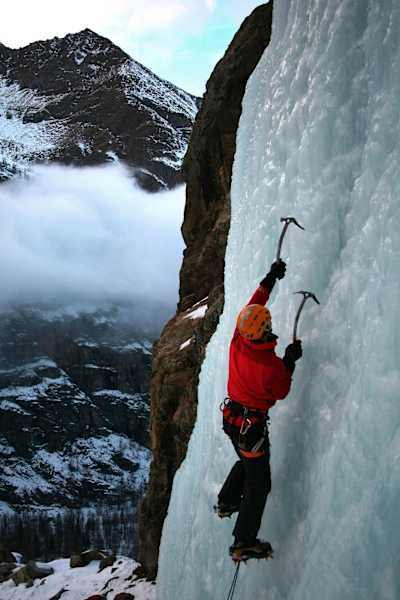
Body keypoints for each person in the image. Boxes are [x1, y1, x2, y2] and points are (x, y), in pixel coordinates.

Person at [216, 260, 302, 560]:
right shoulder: (269, 366)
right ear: (264, 329)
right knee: (259, 483)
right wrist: (290, 360)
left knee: (245, 461)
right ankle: (243, 542)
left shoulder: (239, 338)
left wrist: (270, 278)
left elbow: (255, 302)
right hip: (250, 428)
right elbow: (281, 390)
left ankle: (227, 501)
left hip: (233, 421)